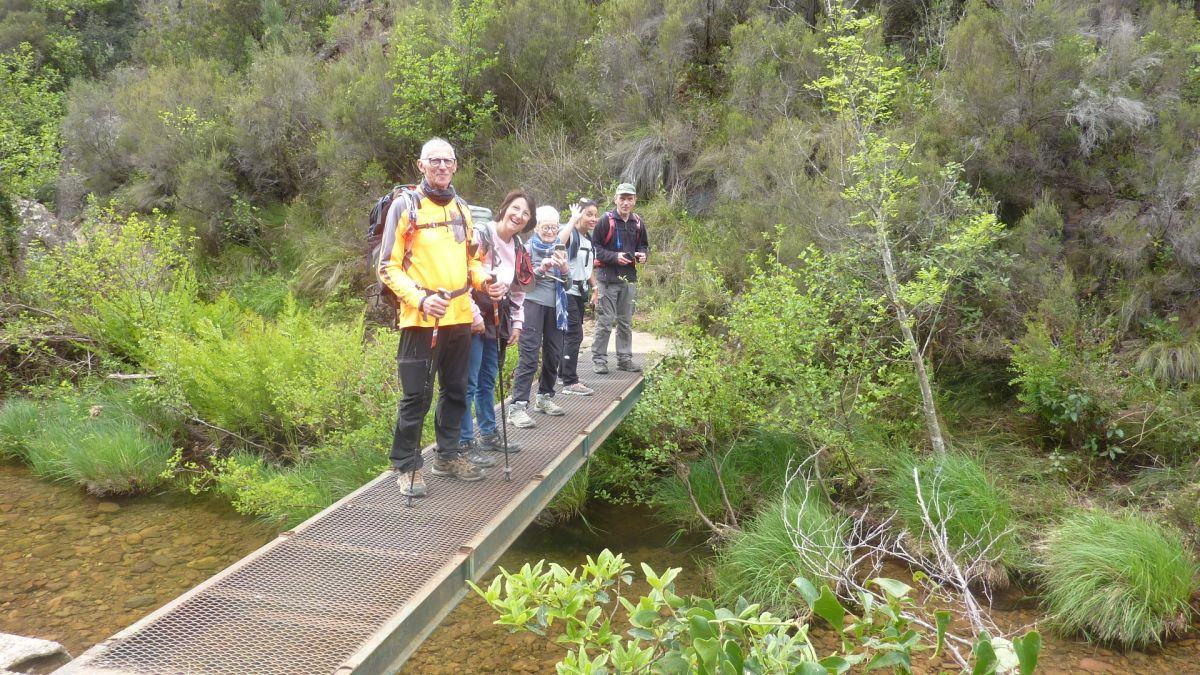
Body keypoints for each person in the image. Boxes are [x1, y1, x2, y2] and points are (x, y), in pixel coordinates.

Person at [378, 137, 503, 498]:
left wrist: (486, 281)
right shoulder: (406, 207)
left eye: (448, 161)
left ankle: (447, 456)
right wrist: (419, 299)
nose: (442, 167)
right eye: (435, 161)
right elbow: (386, 266)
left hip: (459, 316)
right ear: (421, 165)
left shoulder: (462, 209)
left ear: (456, 166)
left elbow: (472, 261)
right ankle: (406, 465)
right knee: (416, 394)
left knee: (457, 389)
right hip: (421, 320)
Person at [459, 191, 533, 455]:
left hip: (498, 316)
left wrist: (517, 323)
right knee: (469, 379)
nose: (519, 216)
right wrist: (474, 316)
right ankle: (465, 440)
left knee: (489, 377)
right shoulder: (482, 235)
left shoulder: (518, 246)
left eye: (525, 213)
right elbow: (462, 273)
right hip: (472, 312)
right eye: (516, 208)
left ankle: (488, 433)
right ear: (503, 208)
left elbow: (518, 289)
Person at [507, 206, 571, 428]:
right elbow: (522, 283)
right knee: (529, 356)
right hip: (532, 305)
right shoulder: (525, 249)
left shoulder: (561, 248)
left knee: (554, 354)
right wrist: (541, 269)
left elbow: (569, 284)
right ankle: (517, 407)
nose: (550, 231)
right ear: (536, 227)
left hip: (557, 308)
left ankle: (545, 397)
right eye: (546, 227)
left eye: (554, 227)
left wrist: (563, 270)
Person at [591, 183, 648, 374]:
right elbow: (595, 248)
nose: (625, 202)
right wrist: (614, 257)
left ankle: (624, 359)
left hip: (629, 279)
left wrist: (642, 255)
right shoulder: (605, 221)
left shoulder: (638, 222)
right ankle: (599, 360)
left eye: (629, 199)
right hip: (607, 279)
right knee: (605, 322)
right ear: (615, 199)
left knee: (625, 322)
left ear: (634, 201)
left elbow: (644, 245)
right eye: (622, 198)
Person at [558, 198, 599, 396]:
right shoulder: (571, 235)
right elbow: (558, 243)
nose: (593, 218)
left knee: (570, 334)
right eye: (589, 214)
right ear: (579, 215)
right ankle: (570, 382)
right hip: (566, 292)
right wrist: (572, 221)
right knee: (574, 334)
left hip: (579, 293)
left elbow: (587, 267)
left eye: (595, 215)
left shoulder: (587, 239)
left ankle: (562, 374)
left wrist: (595, 287)